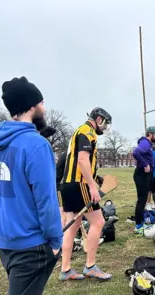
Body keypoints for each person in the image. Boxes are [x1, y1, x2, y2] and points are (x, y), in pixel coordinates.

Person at [0, 76, 62, 295]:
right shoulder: (36, 145)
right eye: (41, 101)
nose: (44, 106)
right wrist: (55, 240)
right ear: (32, 106)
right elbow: (46, 200)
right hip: (31, 245)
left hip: (6, 243)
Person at [59, 107, 113, 281]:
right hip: (79, 185)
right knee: (98, 221)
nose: (104, 128)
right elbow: (82, 160)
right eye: (105, 123)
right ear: (99, 119)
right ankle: (90, 266)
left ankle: (65, 269)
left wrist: (97, 179)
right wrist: (92, 186)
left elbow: (83, 163)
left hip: (67, 185)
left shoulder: (80, 131)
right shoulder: (87, 132)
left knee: (72, 226)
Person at [132, 126, 155, 233]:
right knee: (142, 199)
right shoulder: (145, 142)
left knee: (142, 199)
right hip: (142, 174)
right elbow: (135, 153)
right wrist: (145, 164)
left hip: (144, 175)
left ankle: (141, 220)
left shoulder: (148, 144)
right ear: (150, 134)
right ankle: (138, 225)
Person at [56, 151, 67, 228]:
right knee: (62, 213)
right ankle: (63, 236)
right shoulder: (68, 156)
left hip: (63, 187)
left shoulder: (66, 154)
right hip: (59, 187)